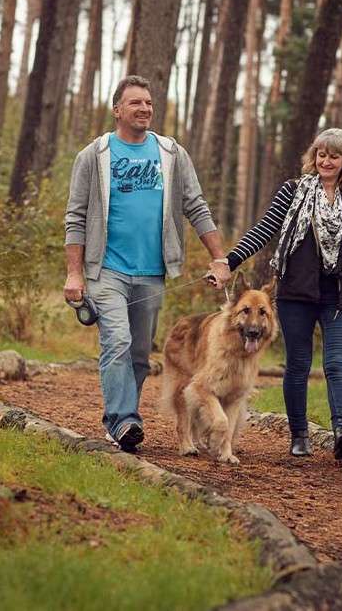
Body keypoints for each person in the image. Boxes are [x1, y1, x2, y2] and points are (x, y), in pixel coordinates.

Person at [64, 75, 231, 453]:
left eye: (149, 103)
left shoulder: (171, 154)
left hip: (152, 272)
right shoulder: (95, 155)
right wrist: (75, 272)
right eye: (136, 102)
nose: (144, 109)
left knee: (139, 352)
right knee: (117, 341)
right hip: (106, 269)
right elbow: (75, 217)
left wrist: (219, 258)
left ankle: (124, 420)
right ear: (117, 109)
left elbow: (196, 206)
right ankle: (123, 420)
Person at [211, 128, 342, 460]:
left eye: (334, 155)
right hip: (296, 292)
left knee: (337, 364)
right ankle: (299, 435)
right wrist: (229, 261)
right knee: (298, 364)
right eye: (322, 154)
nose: (327, 161)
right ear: (314, 157)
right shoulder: (293, 191)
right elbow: (265, 229)